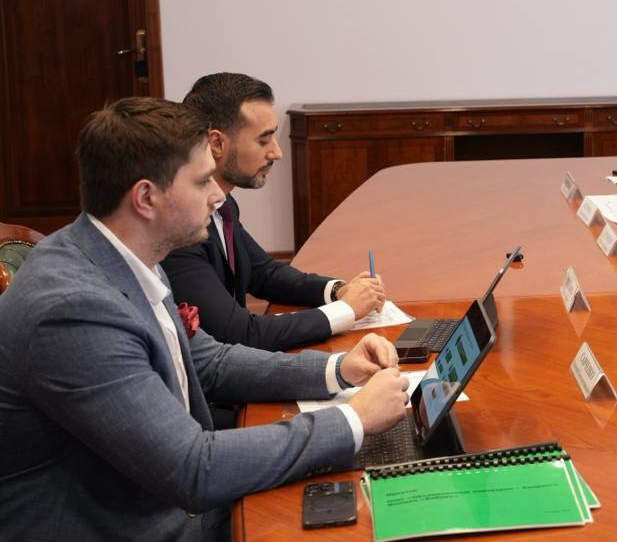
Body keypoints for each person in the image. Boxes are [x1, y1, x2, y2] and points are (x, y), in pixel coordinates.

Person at [0, 98, 408, 539]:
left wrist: (339, 369)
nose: (217, 195)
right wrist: (353, 420)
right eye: (201, 181)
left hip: (160, 500)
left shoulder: (126, 253)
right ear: (146, 198)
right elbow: (192, 468)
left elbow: (209, 361)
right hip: (130, 525)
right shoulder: (74, 311)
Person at [163, 73, 385, 352]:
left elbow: (263, 273)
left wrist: (338, 290)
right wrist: (346, 310)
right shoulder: (180, 230)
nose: (277, 152)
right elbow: (239, 334)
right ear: (217, 143)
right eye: (264, 140)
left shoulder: (225, 204)